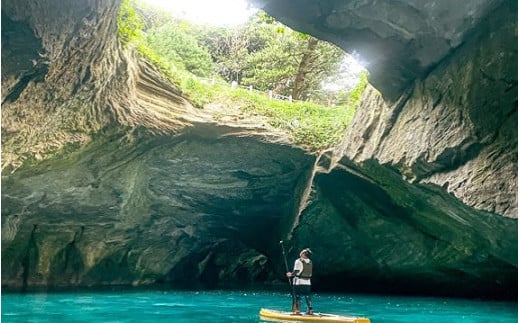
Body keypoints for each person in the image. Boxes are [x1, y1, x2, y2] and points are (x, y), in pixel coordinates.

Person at [286, 248, 313, 314]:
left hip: (299, 282)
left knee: (297, 296)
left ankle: (297, 311)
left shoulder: (298, 261)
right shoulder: (310, 261)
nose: (300, 252)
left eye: (302, 251)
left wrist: (290, 274)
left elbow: (296, 271)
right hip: (308, 282)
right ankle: (310, 310)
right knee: (307, 296)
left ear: (303, 254)